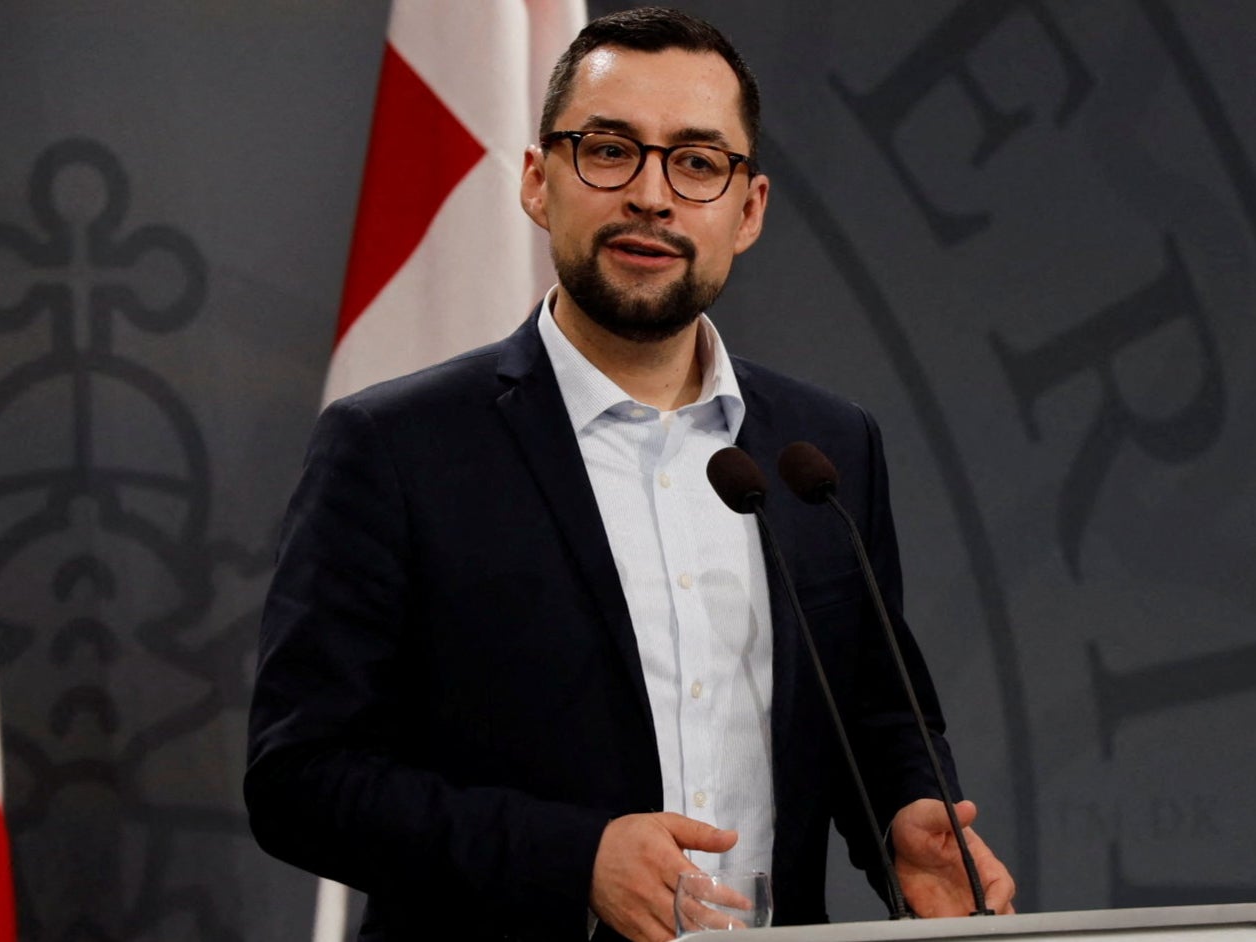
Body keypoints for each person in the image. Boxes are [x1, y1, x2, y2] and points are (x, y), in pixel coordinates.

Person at [245, 8, 1015, 942]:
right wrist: (576, 860)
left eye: (697, 163)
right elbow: (300, 781)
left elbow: (877, 709)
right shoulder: (395, 448)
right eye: (609, 151)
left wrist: (905, 817)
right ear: (538, 181)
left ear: (750, 209)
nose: (652, 195)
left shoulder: (823, 451)